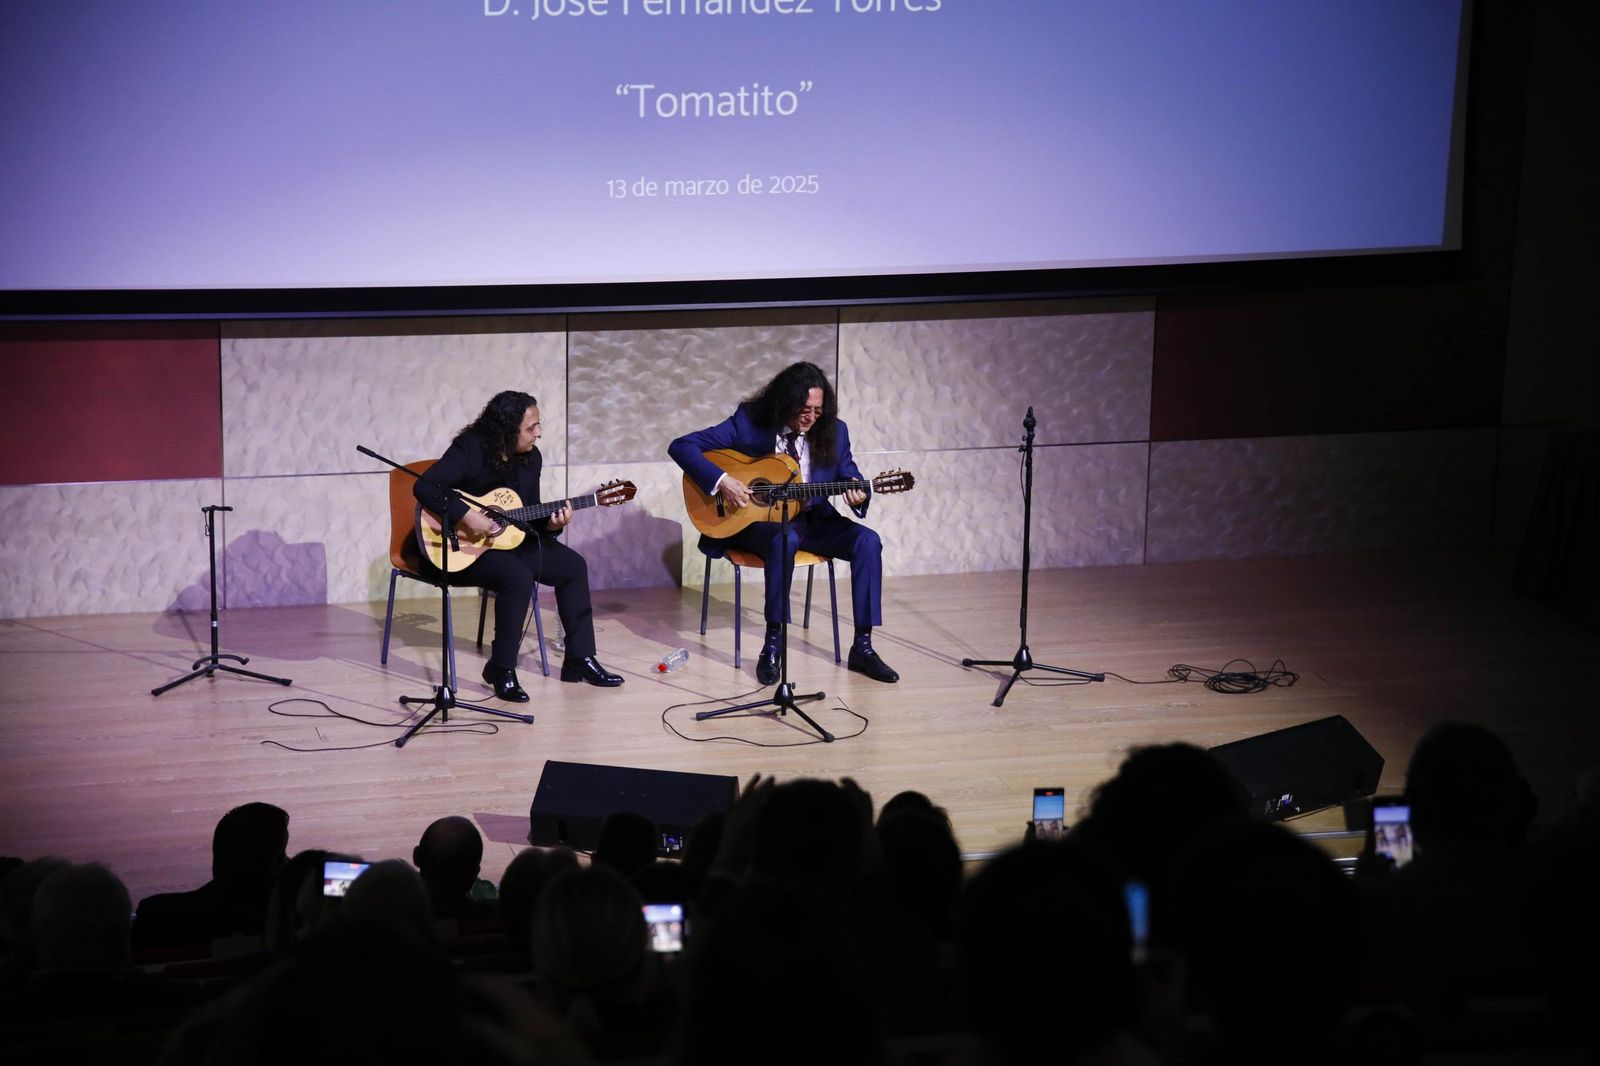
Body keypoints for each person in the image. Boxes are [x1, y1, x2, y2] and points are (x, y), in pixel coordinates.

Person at [668, 361, 898, 684]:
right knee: (784, 539)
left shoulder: (835, 431)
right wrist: (722, 481)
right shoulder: (750, 423)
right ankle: (773, 643)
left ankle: (863, 647)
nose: (811, 417)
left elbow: (849, 474)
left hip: (813, 521)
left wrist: (860, 491)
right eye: (805, 409)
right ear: (785, 401)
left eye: (818, 410)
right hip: (756, 525)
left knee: (868, 541)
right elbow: (682, 446)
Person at [414, 390, 623, 701]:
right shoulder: (470, 448)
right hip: (460, 549)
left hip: (509, 541)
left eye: (539, 425)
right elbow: (425, 486)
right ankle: (502, 667)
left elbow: (530, 513)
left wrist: (551, 525)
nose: (538, 433)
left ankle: (579, 659)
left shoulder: (530, 459)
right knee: (516, 577)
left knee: (573, 567)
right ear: (506, 428)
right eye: (530, 427)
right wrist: (468, 516)